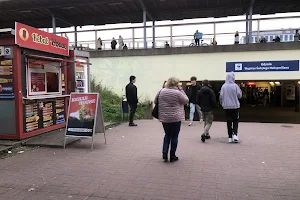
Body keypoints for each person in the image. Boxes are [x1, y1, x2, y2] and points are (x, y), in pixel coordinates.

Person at [154, 77, 189, 162]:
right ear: (177, 84)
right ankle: (172, 156)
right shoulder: (178, 93)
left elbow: (155, 101)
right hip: (176, 118)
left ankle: (164, 152)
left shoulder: (161, 91)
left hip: (164, 118)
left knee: (167, 135)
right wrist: (181, 90)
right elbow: (186, 100)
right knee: (174, 136)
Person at [220, 72, 242, 143]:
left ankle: (230, 137)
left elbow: (221, 96)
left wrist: (222, 103)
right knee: (235, 120)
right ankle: (235, 134)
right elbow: (239, 95)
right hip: (235, 106)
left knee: (228, 121)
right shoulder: (235, 86)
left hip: (226, 106)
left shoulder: (223, 86)